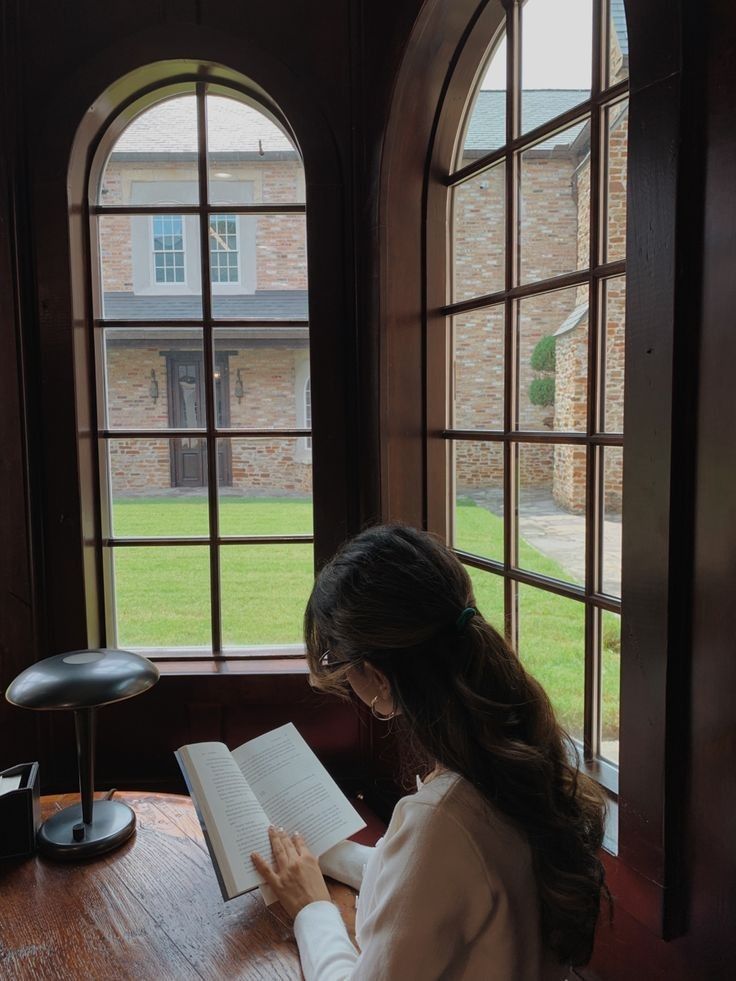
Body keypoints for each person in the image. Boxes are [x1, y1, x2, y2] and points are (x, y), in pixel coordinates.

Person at [251, 524, 608, 980]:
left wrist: (312, 908)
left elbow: (430, 865)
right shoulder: (511, 755)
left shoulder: (443, 821)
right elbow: (422, 880)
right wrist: (321, 854)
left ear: (377, 677)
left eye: (335, 661)